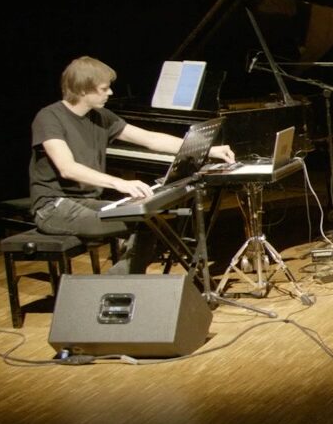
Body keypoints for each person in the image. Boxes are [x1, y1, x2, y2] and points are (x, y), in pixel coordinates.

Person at [29, 57, 233, 273]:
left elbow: (150, 139)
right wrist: (120, 183)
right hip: (53, 207)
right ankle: (118, 285)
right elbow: (67, 168)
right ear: (82, 90)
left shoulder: (100, 116)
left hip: (86, 201)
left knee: (150, 221)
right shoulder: (49, 117)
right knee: (144, 224)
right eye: (104, 89)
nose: (110, 93)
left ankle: (118, 282)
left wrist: (208, 149)